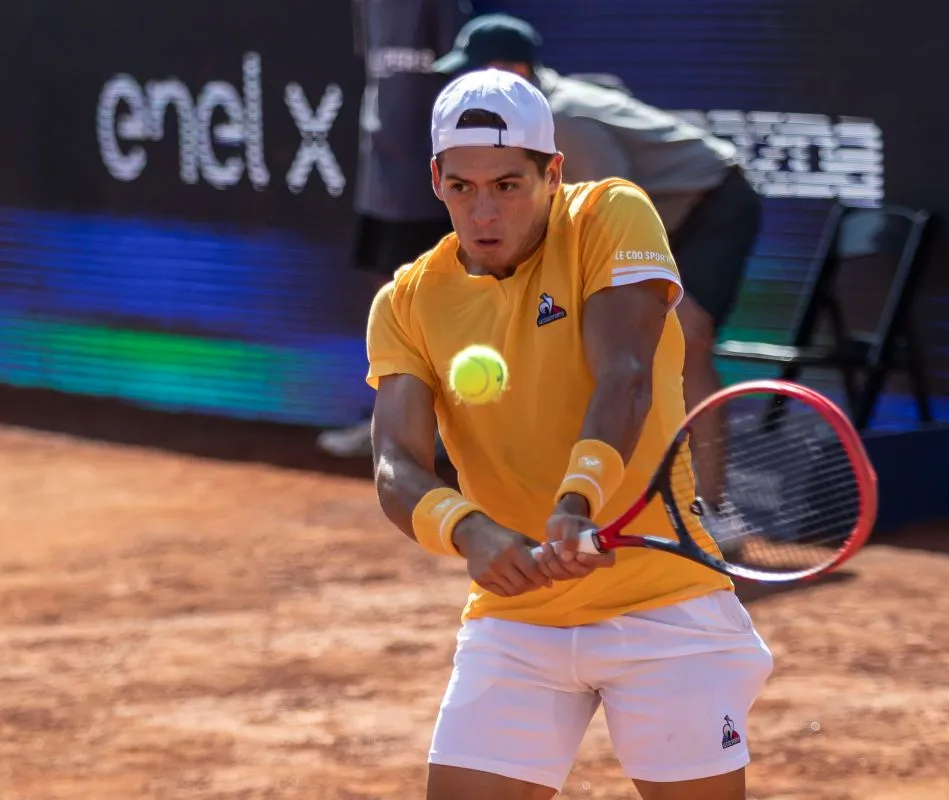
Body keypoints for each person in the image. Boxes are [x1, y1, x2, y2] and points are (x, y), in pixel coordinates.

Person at [367, 68, 773, 799]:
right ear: (435, 180)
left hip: (664, 605)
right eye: (462, 187)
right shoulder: (407, 300)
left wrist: (576, 502)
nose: (484, 210)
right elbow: (396, 464)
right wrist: (471, 532)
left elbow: (624, 373)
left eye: (507, 185)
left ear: (552, 172)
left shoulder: (612, 214)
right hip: (517, 620)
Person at [431, 14, 764, 506]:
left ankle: (713, 508)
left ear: (516, 71)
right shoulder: (526, 128)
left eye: (477, 71)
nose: (465, 85)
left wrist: (654, 289)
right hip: (664, 209)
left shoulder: (565, 122)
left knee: (687, 340)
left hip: (711, 203)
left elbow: (620, 207)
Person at [318, 0, 472, 461]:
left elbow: (459, 81)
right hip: (380, 179)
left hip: (429, 186)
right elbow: (374, 69)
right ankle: (387, 423)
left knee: (441, 304)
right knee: (389, 305)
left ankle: (452, 430)